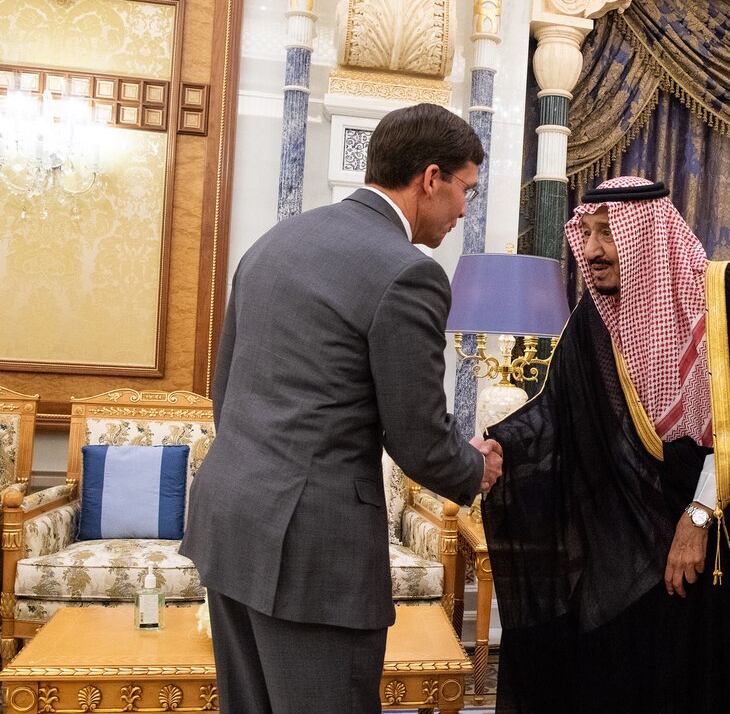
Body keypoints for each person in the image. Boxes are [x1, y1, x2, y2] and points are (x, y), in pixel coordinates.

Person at [180, 103, 503, 714]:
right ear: (430, 178)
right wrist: (473, 467)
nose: (465, 209)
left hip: (230, 521)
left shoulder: (275, 240)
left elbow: (226, 391)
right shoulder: (411, 273)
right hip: (313, 550)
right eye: (465, 190)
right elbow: (418, 438)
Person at [482, 176, 730, 713]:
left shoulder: (717, 295)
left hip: (702, 534)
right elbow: (556, 412)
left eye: (609, 234)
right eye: (588, 233)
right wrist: (500, 448)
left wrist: (698, 517)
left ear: (645, 235)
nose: (594, 251)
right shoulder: (593, 320)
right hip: (620, 542)